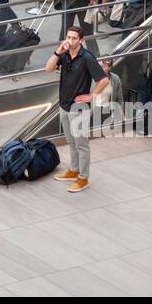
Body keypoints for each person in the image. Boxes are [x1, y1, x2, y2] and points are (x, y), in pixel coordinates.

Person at [46, 26, 108, 192]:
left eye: (74, 38)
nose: (70, 41)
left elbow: (103, 80)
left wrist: (91, 96)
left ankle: (83, 178)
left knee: (81, 144)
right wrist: (58, 51)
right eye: (68, 37)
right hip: (64, 105)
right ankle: (74, 170)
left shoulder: (87, 58)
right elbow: (49, 68)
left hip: (79, 107)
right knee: (71, 142)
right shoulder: (64, 55)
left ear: (81, 40)